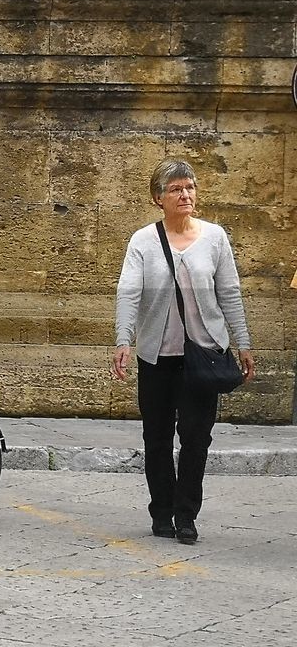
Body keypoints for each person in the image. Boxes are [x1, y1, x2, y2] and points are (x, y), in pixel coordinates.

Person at [112, 158, 255, 545]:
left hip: (204, 355)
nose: (185, 194)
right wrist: (124, 340)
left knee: (196, 437)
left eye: (189, 187)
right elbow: (128, 293)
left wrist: (243, 342)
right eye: (176, 189)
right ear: (158, 197)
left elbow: (230, 293)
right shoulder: (143, 240)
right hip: (157, 357)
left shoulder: (215, 237)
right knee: (156, 438)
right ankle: (161, 511)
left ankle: (186, 514)